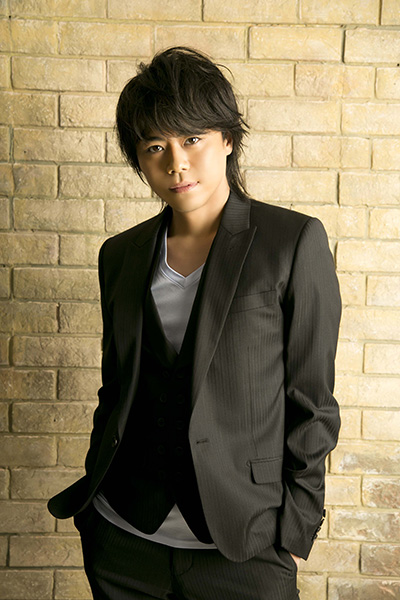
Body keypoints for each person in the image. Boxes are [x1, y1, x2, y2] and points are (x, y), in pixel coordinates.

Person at [48, 46, 341, 600]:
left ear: (227, 138)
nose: (176, 164)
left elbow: (313, 403)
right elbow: (117, 387)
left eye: (192, 139)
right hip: (124, 541)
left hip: (243, 547)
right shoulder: (121, 254)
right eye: (155, 147)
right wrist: (97, 511)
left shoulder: (292, 242)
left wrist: (295, 530)